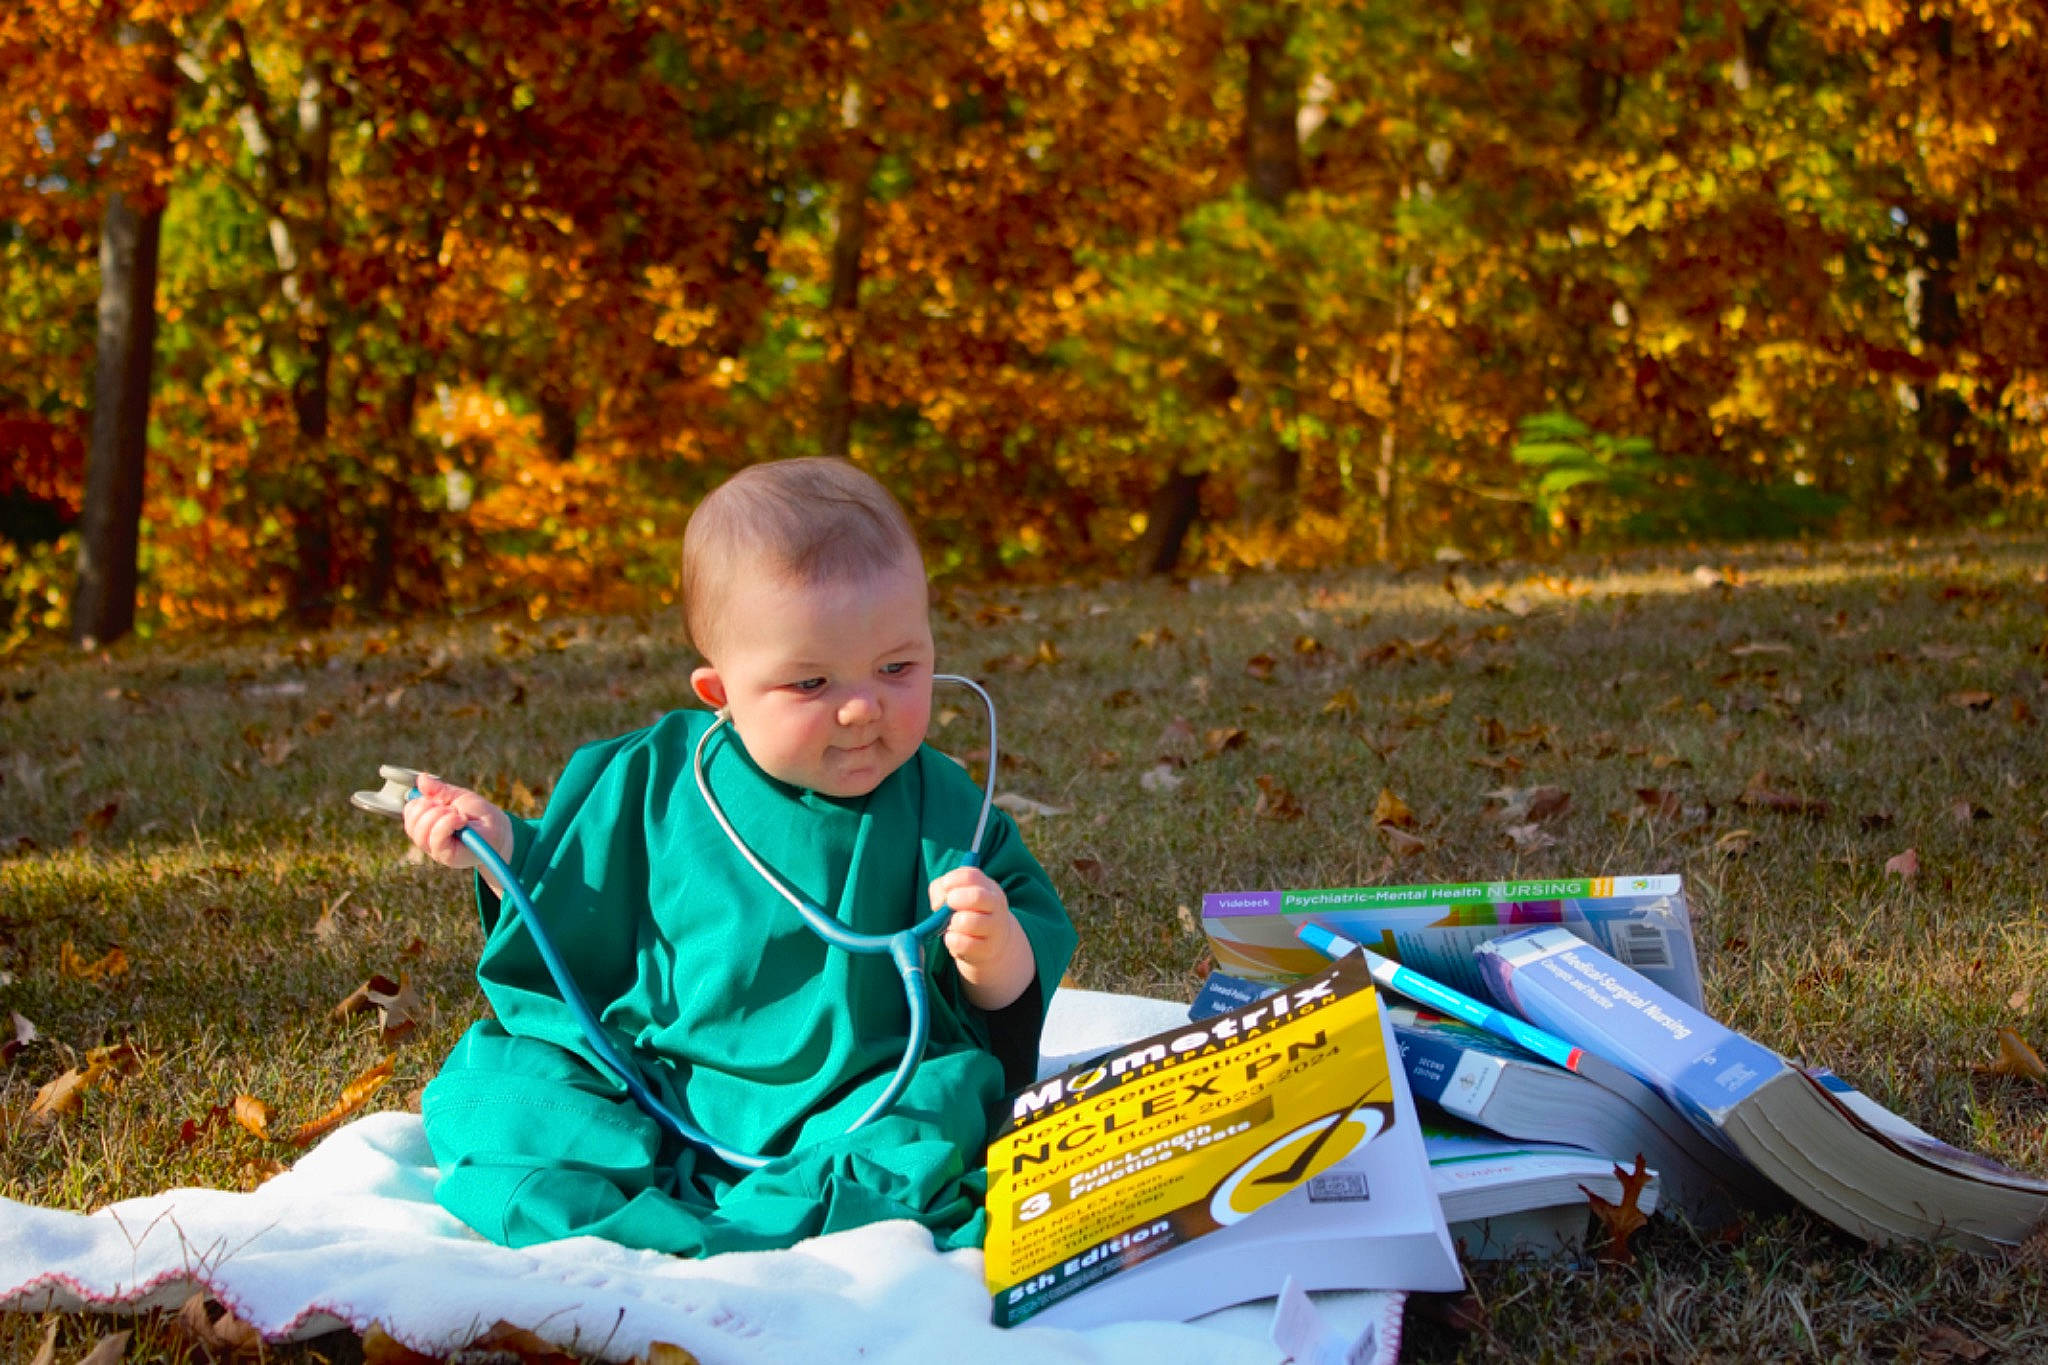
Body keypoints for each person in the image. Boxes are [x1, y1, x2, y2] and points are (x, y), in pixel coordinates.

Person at [400, 457, 1076, 1257]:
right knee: (499, 1096)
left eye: (898, 667)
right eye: (812, 681)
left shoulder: (939, 803)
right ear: (720, 693)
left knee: (940, 1110)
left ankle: (787, 1211)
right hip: (657, 1080)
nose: (862, 707)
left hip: (859, 1088)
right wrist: (499, 842)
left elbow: (1010, 986)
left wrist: (994, 952)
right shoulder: (652, 780)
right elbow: (573, 888)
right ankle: (629, 1203)